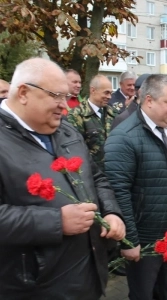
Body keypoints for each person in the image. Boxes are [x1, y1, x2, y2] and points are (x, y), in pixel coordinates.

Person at [0, 57, 125, 299]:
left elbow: (96, 177)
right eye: (56, 96)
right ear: (24, 92)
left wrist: (111, 212)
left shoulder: (66, 130)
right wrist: (56, 221)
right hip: (33, 287)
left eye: (65, 97)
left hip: (87, 275)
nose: (64, 106)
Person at [104, 74, 167, 300]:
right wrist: (129, 240)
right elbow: (118, 193)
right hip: (145, 236)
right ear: (148, 100)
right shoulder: (124, 137)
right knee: (143, 294)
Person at [67, 75, 117, 171]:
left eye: (111, 93)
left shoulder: (114, 113)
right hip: (92, 173)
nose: (109, 97)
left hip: (113, 172)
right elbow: (76, 150)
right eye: (106, 93)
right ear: (93, 90)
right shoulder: (76, 115)